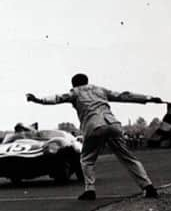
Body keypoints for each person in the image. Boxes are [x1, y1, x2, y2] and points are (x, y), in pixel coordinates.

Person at [26, 73, 162, 200]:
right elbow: (124, 95)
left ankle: (90, 190)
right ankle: (148, 186)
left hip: (93, 127)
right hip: (113, 124)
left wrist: (37, 100)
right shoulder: (100, 90)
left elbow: (57, 98)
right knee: (128, 158)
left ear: (74, 84)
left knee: (86, 159)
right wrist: (148, 98)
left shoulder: (75, 92)